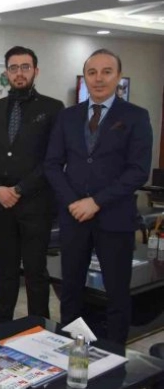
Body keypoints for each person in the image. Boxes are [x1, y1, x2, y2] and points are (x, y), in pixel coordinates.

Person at [45, 49, 152, 344]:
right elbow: (52, 164)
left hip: (115, 218)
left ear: (118, 76)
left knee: (117, 294)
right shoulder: (68, 117)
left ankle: (114, 356)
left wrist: (96, 202)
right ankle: (71, 349)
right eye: (92, 72)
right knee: (70, 291)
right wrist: (72, 202)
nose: (98, 78)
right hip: (74, 218)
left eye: (106, 72)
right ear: (86, 77)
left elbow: (138, 171)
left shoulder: (136, 116)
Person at [0, 46, 64, 324]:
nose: (19, 73)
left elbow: (53, 158)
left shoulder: (52, 108)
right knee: (6, 270)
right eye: (14, 68)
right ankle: (2, 326)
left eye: (25, 67)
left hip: (35, 204)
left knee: (35, 271)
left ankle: (39, 327)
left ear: (36, 71)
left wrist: (19, 189)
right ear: (6, 73)